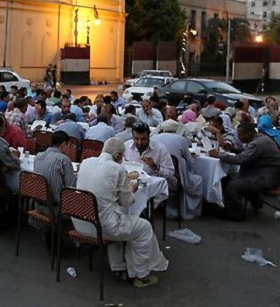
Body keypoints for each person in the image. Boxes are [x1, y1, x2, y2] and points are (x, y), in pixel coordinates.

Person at [75, 137, 168, 287]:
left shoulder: (86, 162)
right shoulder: (118, 169)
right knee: (143, 227)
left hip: (81, 222)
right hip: (102, 227)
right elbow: (127, 201)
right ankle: (141, 274)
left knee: (121, 219)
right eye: (122, 156)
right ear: (118, 155)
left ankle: (120, 267)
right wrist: (132, 188)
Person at [208, 122, 280, 221]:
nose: (239, 137)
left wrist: (219, 155)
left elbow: (241, 160)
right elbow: (248, 154)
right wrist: (233, 149)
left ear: (249, 133)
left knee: (233, 185)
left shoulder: (257, 143)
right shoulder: (260, 138)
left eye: (241, 135)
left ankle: (234, 214)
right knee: (239, 177)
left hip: (267, 178)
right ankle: (256, 202)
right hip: (270, 174)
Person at [152, 120, 204, 219]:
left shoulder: (154, 138)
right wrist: (190, 169)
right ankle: (190, 210)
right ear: (175, 129)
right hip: (175, 176)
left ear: (162, 128)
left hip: (156, 174)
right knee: (198, 180)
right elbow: (189, 161)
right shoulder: (180, 139)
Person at [124, 122, 176, 189]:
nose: (139, 142)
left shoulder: (160, 149)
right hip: (131, 184)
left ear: (149, 136)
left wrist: (155, 167)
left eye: (143, 139)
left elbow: (170, 172)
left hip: (153, 187)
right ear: (132, 137)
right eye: (136, 139)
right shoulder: (126, 146)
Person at [33, 130, 77, 208]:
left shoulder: (38, 156)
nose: (69, 149)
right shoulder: (64, 159)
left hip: (37, 203)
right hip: (56, 207)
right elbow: (71, 187)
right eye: (69, 146)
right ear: (63, 144)